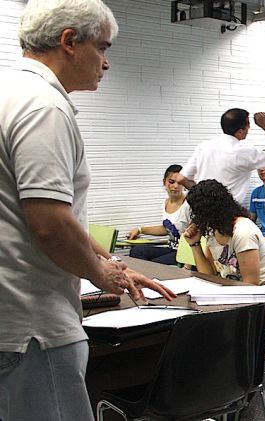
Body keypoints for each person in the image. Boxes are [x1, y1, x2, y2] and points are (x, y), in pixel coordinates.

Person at [0, 2, 174, 419]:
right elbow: (49, 222)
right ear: (69, 42)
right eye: (102, 47)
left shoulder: (8, 91)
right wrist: (103, 275)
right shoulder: (45, 106)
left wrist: (109, 259)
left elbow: (53, 216)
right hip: (35, 325)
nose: (107, 63)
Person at [175, 109, 265, 204]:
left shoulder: (203, 147)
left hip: (203, 212)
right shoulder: (244, 152)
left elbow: (181, 178)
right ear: (240, 131)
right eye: (248, 125)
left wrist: (202, 195)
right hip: (227, 214)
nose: (249, 129)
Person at [183, 179, 265, 288]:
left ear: (208, 212)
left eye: (197, 213)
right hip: (232, 291)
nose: (195, 218)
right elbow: (209, 276)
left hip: (264, 294)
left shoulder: (243, 232)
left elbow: (250, 285)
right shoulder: (213, 230)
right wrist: (194, 244)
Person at [126, 164, 190, 265]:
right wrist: (140, 230)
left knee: (154, 265)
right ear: (164, 182)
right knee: (137, 251)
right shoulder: (165, 203)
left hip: (187, 252)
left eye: (180, 183)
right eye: (171, 182)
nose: (176, 186)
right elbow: (167, 228)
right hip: (172, 248)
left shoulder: (189, 203)